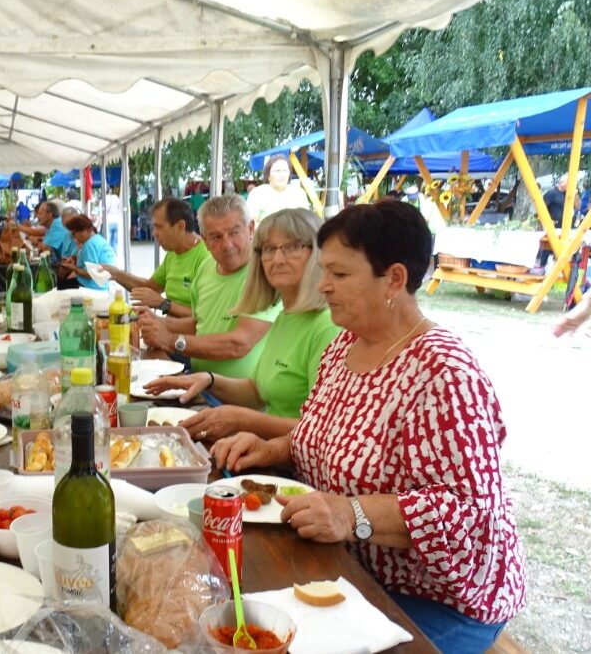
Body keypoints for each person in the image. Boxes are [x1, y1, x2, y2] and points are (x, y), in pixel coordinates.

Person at [212, 199, 527, 652]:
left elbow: (469, 515)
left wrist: (350, 513)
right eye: (325, 272)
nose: (323, 286)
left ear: (394, 279)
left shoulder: (444, 372)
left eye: (339, 275)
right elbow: (319, 432)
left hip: (438, 598)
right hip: (350, 568)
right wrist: (274, 448)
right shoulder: (343, 347)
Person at [146, 208, 340, 441]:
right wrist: (208, 379)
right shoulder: (286, 317)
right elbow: (257, 392)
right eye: (269, 249)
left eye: (293, 247)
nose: (277, 259)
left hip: (290, 467)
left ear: (318, 254)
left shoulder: (328, 328)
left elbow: (324, 432)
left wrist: (242, 420)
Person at [138, 195, 281, 378]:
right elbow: (199, 324)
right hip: (201, 382)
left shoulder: (265, 272)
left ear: (251, 228)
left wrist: (170, 340)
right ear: (205, 240)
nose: (227, 245)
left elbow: (239, 344)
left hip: (239, 400)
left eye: (234, 232)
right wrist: (158, 322)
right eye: (216, 237)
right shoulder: (207, 268)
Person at [102, 197, 209, 317]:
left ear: (180, 226)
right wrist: (115, 274)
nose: (154, 233)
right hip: (170, 331)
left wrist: (164, 304)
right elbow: (150, 288)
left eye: (159, 227)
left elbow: (206, 316)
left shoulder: (206, 257)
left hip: (191, 335)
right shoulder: (173, 254)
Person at [245, 154, 311, 222]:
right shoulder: (257, 194)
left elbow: (306, 222)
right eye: (277, 171)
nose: (282, 174)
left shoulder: (299, 193)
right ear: (268, 175)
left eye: (285, 170)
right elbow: (250, 223)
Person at [60, 213, 116, 290]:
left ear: (87, 230)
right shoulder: (97, 239)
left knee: (59, 286)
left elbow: (90, 274)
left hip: (92, 287)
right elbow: (88, 259)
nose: (74, 237)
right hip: (100, 285)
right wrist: (74, 258)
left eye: (74, 233)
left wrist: (73, 268)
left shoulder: (90, 244)